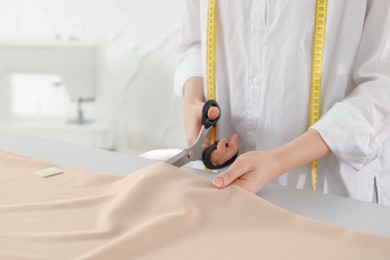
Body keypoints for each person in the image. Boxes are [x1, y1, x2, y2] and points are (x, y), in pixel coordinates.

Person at [174, 0, 390, 205]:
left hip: (327, 195)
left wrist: (276, 161)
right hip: (224, 185)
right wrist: (192, 103)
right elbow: (194, 41)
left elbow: (381, 88)